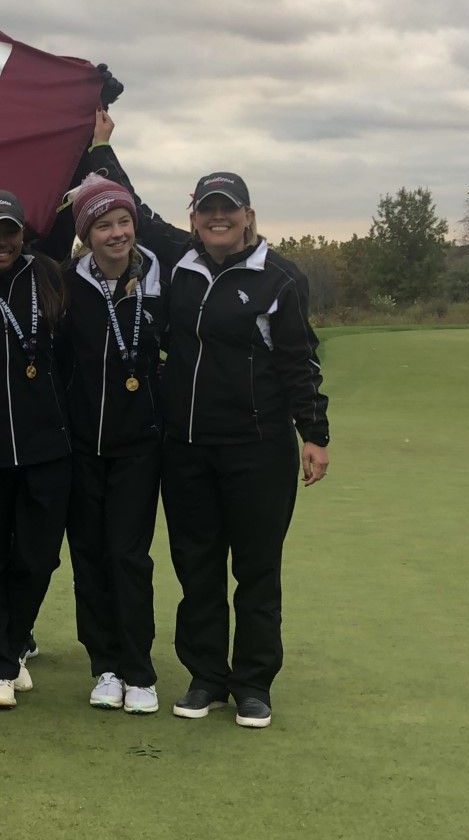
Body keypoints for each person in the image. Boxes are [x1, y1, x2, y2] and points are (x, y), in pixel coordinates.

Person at [148, 172, 330, 729]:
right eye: (208, 210)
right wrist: (99, 142)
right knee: (197, 568)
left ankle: (253, 683)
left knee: (256, 569)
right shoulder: (180, 263)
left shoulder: (278, 277)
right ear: (194, 215)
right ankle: (206, 676)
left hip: (258, 448)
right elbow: (130, 204)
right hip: (186, 448)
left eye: (228, 209)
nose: (217, 218)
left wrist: (314, 433)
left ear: (248, 215)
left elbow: (299, 362)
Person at [59, 174, 166, 715]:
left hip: (138, 446)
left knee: (128, 556)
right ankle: (104, 665)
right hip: (81, 446)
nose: (117, 232)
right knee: (89, 558)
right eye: (104, 224)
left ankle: (138, 670)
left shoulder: (158, 279)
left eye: (123, 221)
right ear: (87, 234)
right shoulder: (66, 284)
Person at [0, 190, 69, 710]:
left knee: (38, 556)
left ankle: (16, 637)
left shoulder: (49, 276)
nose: (1, 242)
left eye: (9, 231)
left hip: (46, 446)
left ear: (23, 233)